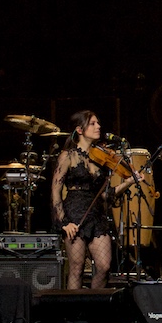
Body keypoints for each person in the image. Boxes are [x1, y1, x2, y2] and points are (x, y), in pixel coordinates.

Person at [50, 110, 141, 290]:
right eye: (92, 123)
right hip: (74, 214)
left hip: (97, 214)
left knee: (104, 266)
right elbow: (56, 191)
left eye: (98, 123)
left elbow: (106, 195)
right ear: (80, 130)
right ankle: (74, 308)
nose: (98, 126)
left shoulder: (100, 158)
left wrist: (129, 182)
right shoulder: (68, 156)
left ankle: (94, 304)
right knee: (76, 268)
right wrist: (64, 222)